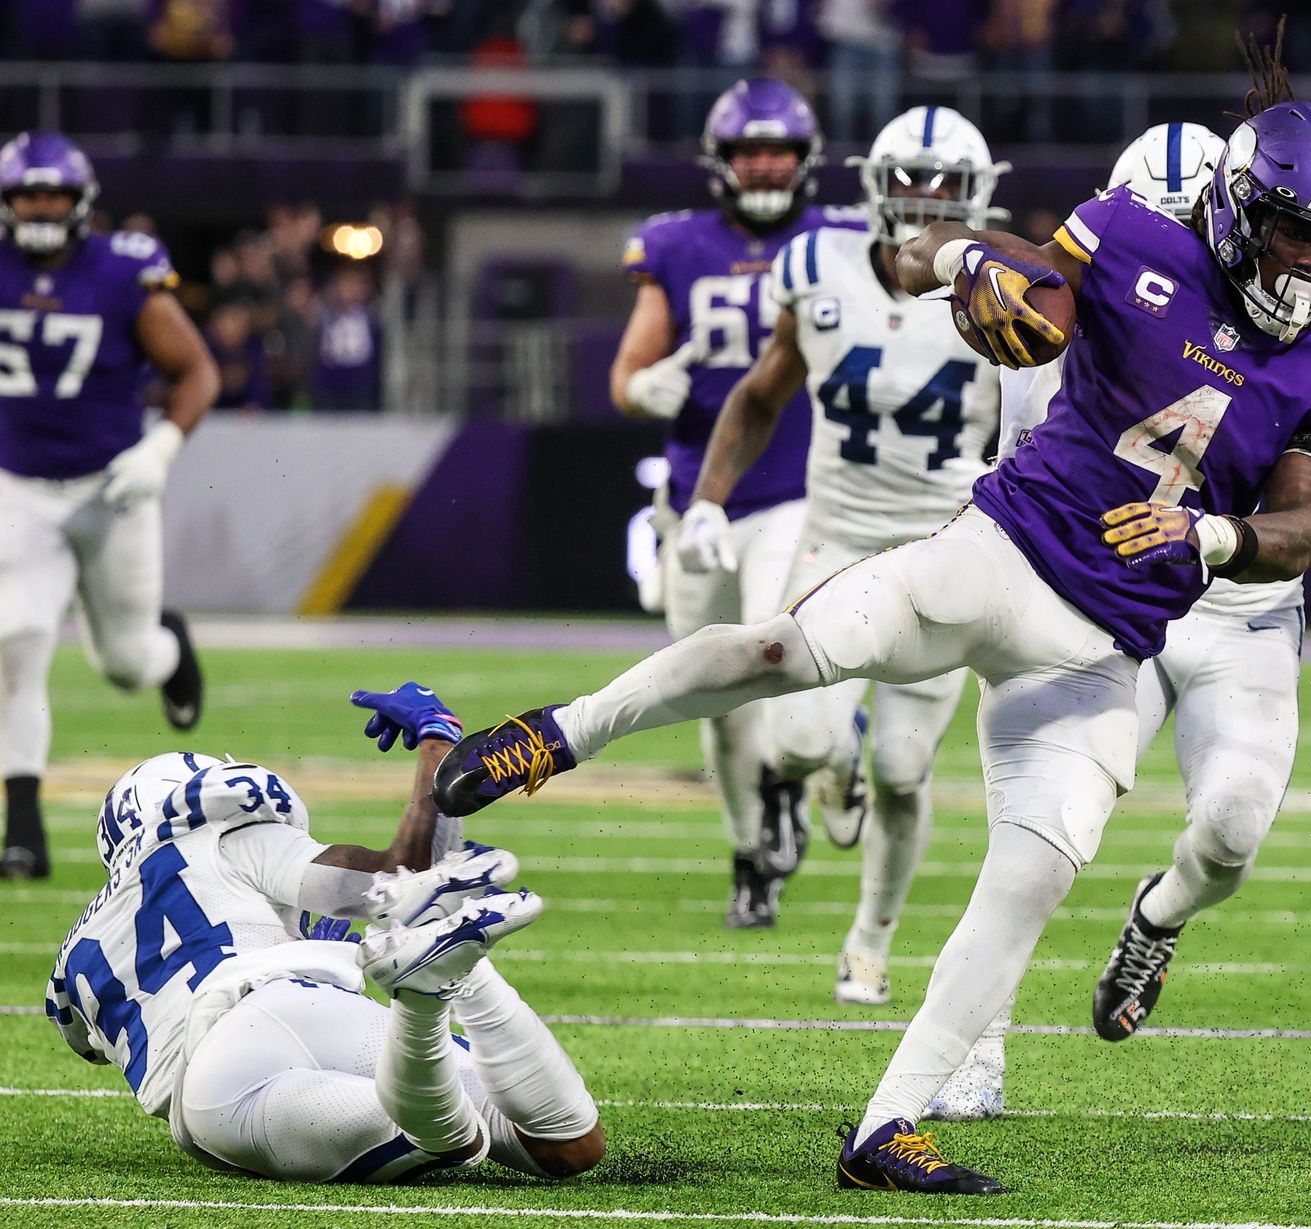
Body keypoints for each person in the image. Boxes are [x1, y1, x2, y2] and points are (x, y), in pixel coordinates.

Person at [434, 41, 1311, 1194]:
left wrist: (1217, 537)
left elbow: (1301, 518)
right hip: (996, 553)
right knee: (779, 649)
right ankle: (562, 730)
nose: (1305, 263)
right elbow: (1004, 267)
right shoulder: (1136, 237)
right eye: (1292, 231)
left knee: (1034, 874)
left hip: (1105, 651)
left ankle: (885, 1126)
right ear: (1239, 209)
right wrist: (961, 259)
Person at [922, 121, 1311, 1125]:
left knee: (1231, 828)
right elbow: (1017, 442)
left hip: (1239, 601)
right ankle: (973, 1046)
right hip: (1103, 587)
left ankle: (1157, 916)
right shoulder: (1101, 283)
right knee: (1037, 837)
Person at [689, 105, 1005, 1007]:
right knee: (795, 739)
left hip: (947, 548)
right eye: (908, 178)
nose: (924, 199)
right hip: (834, 536)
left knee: (903, 773)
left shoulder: (1003, 292)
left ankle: (869, 940)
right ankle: (819, 766)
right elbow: (760, 394)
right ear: (873, 183)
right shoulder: (816, 266)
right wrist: (710, 498)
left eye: (943, 183)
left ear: (977, 195)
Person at [46, 681, 604, 1182]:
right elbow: (402, 873)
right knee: (568, 1145)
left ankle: (428, 990)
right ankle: (448, 981)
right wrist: (438, 738)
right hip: (308, 1003)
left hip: (218, 1083)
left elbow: (86, 1040)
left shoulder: (74, 958)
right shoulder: (220, 837)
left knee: (451, 1139)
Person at [610, 78, 862, 928]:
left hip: (796, 488)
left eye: (777, 151)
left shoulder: (840, 241)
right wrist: (649, 388)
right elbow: (625, 375)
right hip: (697, 499)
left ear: (804, 161)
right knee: (704, 691)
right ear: (721, 160)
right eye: (749, 150)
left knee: (768, 647)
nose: (763, 165)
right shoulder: (676, 246)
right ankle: (750, 850)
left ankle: (801, 770)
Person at [0, 132, 215, 881]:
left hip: (111, 485)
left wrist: (158, 450)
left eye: (52, 194)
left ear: (79, 201)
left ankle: (170, 645)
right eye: (27, 193)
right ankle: (21, 826)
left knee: (126, 663)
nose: (39, 206)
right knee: (17, 635)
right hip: (21, 486)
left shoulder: (121, 272)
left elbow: (196, 371)